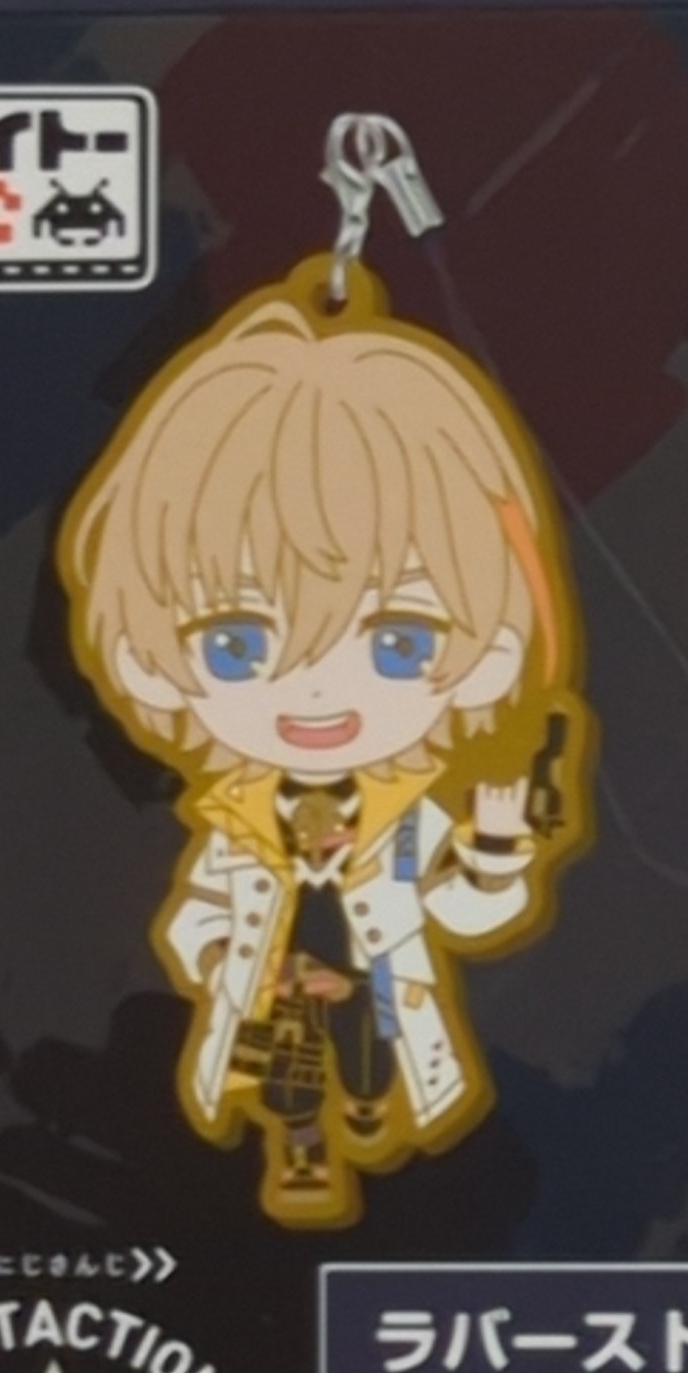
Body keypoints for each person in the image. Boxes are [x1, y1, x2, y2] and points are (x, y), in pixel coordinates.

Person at [65, 291, 580, 1227]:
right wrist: (226, 960)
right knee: (293, 1083)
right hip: (277, 1003)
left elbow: (467, 909)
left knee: (371, 1063)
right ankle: (304, 1144)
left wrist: (498, 848)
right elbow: (199, 917)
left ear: (487, 651)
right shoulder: (237, 825)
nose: (313, 691)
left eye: (398, 644)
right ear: (149, 655)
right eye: (236, 645)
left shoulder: (410, 816)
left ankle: (367, 1112)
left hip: (378, 997)